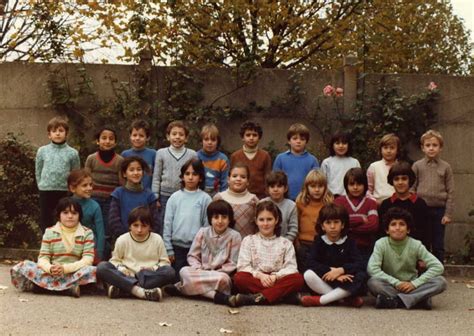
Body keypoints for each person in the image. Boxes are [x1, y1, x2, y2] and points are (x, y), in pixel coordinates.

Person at [11, 197, 96, 298]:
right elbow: (43, 258)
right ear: (59, 215)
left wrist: (65, 268)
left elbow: (88, 259)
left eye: (74, 213)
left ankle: (42, 288)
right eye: (65, 212)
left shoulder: (87, 233)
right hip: (52, 273)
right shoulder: (49, 232)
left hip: (74, 272)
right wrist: (50, 268)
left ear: (79, 215)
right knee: (23, 266)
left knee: (92, 270)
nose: (70, 216)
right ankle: (67, 289)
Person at [164, 200, 242, 305]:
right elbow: (192, 255)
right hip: (200, 271)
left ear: (229, 219)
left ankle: (183, 290)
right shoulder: (203, 232)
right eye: (216, 217)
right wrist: (198, 268)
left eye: (224, 217)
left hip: (219, 274)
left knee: (224, 279)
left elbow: (233, 262)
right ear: (210, 219)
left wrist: (215, 272)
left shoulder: (235, 236)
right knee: (184, 271)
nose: (220, 221)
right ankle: (214, 295)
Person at [367, 207, 447, 309]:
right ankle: (417, 300)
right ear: (387, 230)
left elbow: (438, 266)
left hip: (412, 287)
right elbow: (372, 269)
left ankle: (394, 302)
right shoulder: (381, 244)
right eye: (393, 224)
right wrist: (396, 283)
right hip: (391, 285)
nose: (397, 228)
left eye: (402, 224)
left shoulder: (416, 245)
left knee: (440, 282)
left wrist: (414, 283)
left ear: (408, 229)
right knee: (373, 283)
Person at [229, 201, 304, 307]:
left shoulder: (285, 243)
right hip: (257, 279)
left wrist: (275, 276)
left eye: (269, 219)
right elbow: (243, 266)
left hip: (277, 279)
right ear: (256, 221)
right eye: (261, 220)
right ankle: (281, 296)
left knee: (298, 279)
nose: (265, 224)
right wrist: (260, 276)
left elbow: (291, 267)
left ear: (276, 220)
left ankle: (254, 298)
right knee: (239, 278)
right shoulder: (249, 240)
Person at [96, 206, 175, 301]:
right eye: (136, 225)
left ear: (150, 226)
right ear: (129, 226)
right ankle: (141, 292)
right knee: (102, 267)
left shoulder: (157, 239)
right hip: (127, 275)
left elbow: (165, 262)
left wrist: (152, 268)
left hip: (148, 276)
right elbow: (115, 261)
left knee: (170, 272)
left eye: (144, 226)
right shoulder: (122, 239)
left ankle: (125, 289)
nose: (139, 230)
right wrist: (122, 268)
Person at [301, 204, 367, 307]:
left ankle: (321, 300)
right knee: (308, 274)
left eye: (336, 222)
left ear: (343, 224)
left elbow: (360, 263)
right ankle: (345, 300)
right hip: (326, 279)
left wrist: (341, 270)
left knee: (361, 276)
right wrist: (331, 271)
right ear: (322, 226)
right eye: (328, 223)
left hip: (346, 281)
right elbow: (310, 262)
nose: (332, 227)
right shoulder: (319, 241)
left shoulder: (349, 241)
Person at [163, 159, 212, 276]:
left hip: (195, 249)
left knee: (193, 277)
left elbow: (207, 227)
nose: (190, 177)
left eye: (194, 174)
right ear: (182, 176)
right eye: (187, 174)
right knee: (176, 277)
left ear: (200, 178)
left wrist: (202, 250)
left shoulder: (205, 199)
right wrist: (168, 248)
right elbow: (167, 224)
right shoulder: (174, 198)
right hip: (176, 248)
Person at [412, 130, 454, 263]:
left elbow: (451, 191)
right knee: (422, 242)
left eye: (435, 145)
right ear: (422, 148)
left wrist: (448, 214)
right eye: (428, 145)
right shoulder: (417, 166)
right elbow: (412, 187)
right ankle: (421, 271)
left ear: (440, 148)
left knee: (438, 243)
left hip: (439, 211)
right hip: (421, 210)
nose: (431, 148)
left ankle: (437, 270)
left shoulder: (446, 167)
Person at [36, 116, 80, 232]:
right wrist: (41, 185)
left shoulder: (73, 153)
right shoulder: (42, 151)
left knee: (63, 218)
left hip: (64, 191)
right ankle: (46, 243)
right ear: (49, 134)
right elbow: (38, 170)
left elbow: (75, 173)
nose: (57, 134)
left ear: (66, 133)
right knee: (46, 218)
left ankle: (62, 244)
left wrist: (72, 189)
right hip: (46, 190)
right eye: (54, 131)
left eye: (61, 131)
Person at [85, 126, 123, 257]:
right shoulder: (91, 159)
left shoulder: (119, 160)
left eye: (111, 139)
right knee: (93, 229)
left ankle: (105, 258)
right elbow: (86, 179)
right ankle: (91, 255)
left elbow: (121, 183)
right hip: (93, 199)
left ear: (115, 142)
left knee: (107, 229)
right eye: (104, 138)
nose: (107, 141)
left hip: (111, 200)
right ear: (98, 141)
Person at [152, 120, 197, 226]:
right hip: (164, 196)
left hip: (184, 195)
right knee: (164, 222)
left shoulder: (192, 155)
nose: (177, 137)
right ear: (168, 136)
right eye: (174, 134)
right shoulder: (161, 153)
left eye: (181, 135)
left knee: (181, 222)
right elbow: (156, 177)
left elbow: (195, 176)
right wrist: (155, 197)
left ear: (186, 138)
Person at [379, 161, 430, 250]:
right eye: (396, 179)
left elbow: (427, 233)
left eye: (404, 178)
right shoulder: (386, 205)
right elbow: (381, 233)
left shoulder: (420, 204)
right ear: (392, 181)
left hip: (415, 252)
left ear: (410, 180)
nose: (400, 182)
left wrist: (423, 256)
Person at [109, 156, 160, 240]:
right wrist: (128, 238)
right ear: (124, 174)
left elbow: (156, 221)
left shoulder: (149, 195)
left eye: (139, 169)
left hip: (145, 241)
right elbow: (113, 220)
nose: (136, 173)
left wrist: (146, 237)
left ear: (143, 172)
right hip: (124, 240)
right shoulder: (118, 193)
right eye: (131, 170)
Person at [334, 168, 378, 264]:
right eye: (351, 184)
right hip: (342, 247)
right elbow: (336, 224)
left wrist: (347, 228)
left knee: (362, 274)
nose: (355, 187)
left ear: (365, 185)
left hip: (364, 248)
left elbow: (373, 226)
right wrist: (361, 219)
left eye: (359, 184)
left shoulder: (371, 203)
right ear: (346, 185)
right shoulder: (338, 202)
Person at [295, 169, 333, 272]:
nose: (317, 190)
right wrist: (297, 243)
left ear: (325, 187)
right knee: (305, 271)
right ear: (306, 187)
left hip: (323, 244)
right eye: (313, 186)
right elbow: (295, 225)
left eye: (320, 186)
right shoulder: (300, 203)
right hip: (304, 245)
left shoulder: (329, 204)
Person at [273, 123, 319, 200]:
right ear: (289, 141)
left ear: (306, 141)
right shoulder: (280, 158)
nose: (298, 141)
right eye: (295, 138)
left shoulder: (312, 160)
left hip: (306, 199)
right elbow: (274, 180)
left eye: (302, 139)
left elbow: (316, 181)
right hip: (284, 199)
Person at [68, 169, 105, 262]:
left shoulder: (95, 206)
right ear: (73, 188)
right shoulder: (66, 205)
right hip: (70, 247)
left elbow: (100, 233)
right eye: (84, 185)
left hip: (90, 248)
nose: (89, 188)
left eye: (91, 185)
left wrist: (99, 254)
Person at [213, 163, 259, 238]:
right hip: (224, 244)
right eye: (234, 176)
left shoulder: (253, 200)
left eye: (243, 177)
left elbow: (258, 225)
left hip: (247, 245)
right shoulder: (219, 198)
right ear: (228, 179)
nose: (238, 179)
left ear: (248, 181)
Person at [230, 120, 271, 199]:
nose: (251, 138)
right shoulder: (235, 156)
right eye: (248, 135)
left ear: (259, 137)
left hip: (260, 197)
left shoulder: (265, 156)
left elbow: (268, 178)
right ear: (243, 137)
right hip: (240, 196)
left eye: (254, 135)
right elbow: (231, 178)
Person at [260, 171, 298, 242]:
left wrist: (284, 244)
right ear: (268, 189)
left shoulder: (291, 205)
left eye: (279, 186)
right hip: (264, 243)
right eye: (272, 186)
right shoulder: (261, 203)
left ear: (285, 188)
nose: (275, 189)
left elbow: (293, 229)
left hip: (284, 244)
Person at [321, 131, 360, 197]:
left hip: (350, 197)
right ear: (332, 145)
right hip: (332, 197)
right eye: (337, 143)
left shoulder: (354, 162)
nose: (341, 146)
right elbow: (322, 182)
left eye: (344, 143)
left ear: (349, 145)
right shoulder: (327, 162)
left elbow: (359, 181)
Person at [121, 119, 156, 191]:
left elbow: (156, 177)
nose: (137, 138)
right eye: (134, 135)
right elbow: (122, 176)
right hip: (129, 192)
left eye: (141, 136)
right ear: (130, 136)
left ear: (147, 137)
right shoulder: (125, 154)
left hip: (148, 195)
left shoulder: (153, 154)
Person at [197, 123, 230, 196]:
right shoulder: (196, 157)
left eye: (213, 140)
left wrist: (222, 197)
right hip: (198, 194)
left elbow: (224, 182)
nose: (209, 142)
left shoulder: (223, 159)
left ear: (217, 141)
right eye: (206, 139)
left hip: (217, 195)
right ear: (201, 141)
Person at [367, 133, 400, 205]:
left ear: (397, 150)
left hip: (398, 204)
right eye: (385, 148)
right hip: (379, 204)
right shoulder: (374, 167)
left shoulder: (401, 167)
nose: (388, 151)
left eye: (392, 148)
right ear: (381, 150)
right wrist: (375, 202)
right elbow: (368, 191)